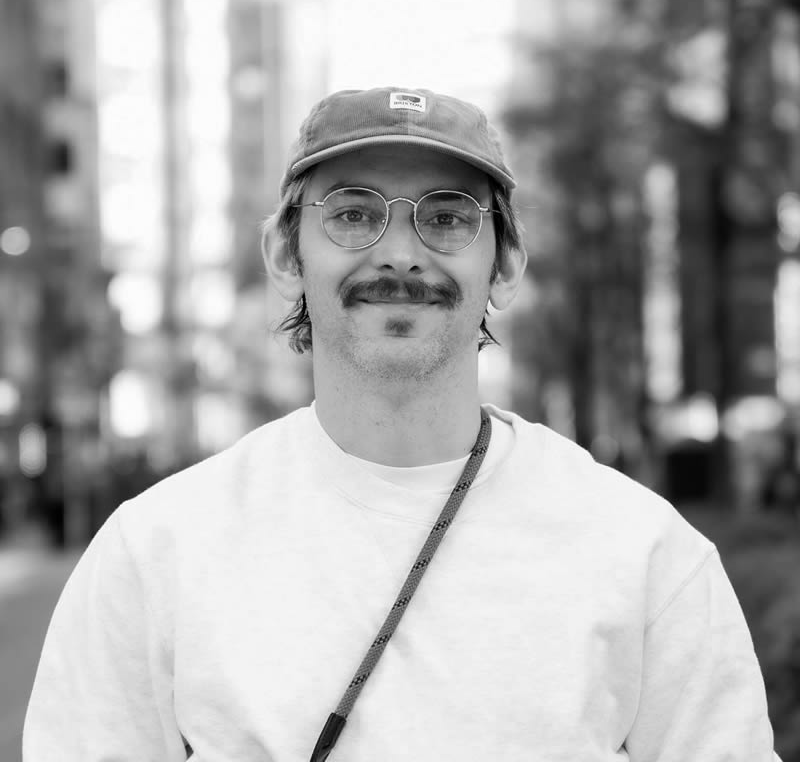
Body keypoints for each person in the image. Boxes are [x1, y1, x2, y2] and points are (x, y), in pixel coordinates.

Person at [24, 87, 782, 761]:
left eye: (447, 218)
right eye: (352, 214)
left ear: (506, 265)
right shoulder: (156, 550)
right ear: (285, 254)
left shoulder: (646, 553)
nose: (399, 254)